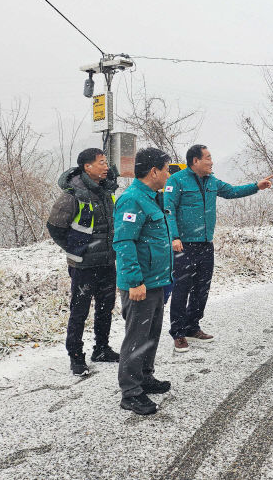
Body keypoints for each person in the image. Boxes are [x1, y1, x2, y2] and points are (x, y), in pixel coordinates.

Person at [164, 144, 272, 353]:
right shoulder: (176, 181)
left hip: (206, 243)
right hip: (184, 244)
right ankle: (178, 332)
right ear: (195, 161)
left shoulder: (212, 181)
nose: (211, 162)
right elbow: (169, 210)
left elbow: (232, 191)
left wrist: (256, 186)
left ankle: (192, 326)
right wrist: (174, 237)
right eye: (208, 158)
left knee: (201, 288)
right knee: (182, 288)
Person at [47, 148, 119, 376]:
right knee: (79, 311)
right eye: (101, 162)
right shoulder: (73, 194)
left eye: (106, 161)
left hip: (107, 261)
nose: (106, 166)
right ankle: (76, 356)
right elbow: (55, 227)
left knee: (105, 307)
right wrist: (76, 248)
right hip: (83, 265)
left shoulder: (108, 191)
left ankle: (101, 348)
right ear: (87, 167)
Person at [114, 147, 174, 415]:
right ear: (154, 172)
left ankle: (145, 376)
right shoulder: (132, 200)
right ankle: (131, 392)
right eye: (166, 169)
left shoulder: (152, 197)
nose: (168, 174)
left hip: (156, 280)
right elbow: (124, 242)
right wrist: (135, 281)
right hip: (141, 283)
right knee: (136, 336)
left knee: (151, 333)